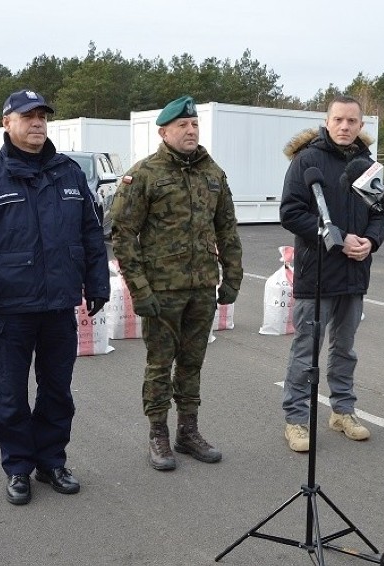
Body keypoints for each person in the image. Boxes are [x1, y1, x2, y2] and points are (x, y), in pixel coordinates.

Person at [0, 89, 110, 505]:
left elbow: (91, 234)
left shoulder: (69, 173)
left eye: (42, 117)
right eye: (28, 117)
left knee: (58, 390)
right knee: (11, 394)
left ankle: (51, 461)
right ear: (8, 123)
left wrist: (98, 284)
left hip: (58, 306)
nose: (37, 123)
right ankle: (18, 467)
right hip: (11, 308)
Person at [111, 95, 243, 471]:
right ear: (164, 131)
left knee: (192, 362)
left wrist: (233, 276)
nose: (191, 130)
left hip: (201, 286)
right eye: (183, 125)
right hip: (161, 291)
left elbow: (227, 230)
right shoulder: (145, 175)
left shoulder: (213, 174)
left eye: (195, 124)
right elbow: (123, 234)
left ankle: (188, 431)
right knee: (159, 363)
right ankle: (158, 434)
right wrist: (140, 289)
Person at [279, 95, 384, 453]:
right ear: (327, 122)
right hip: (317, 274)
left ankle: (342, 410)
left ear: (361, 126)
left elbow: (380, 213)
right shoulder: (307, 160)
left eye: (352, 121)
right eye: (338, 120)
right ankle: (296, 419)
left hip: (355, 274)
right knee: (306, 351)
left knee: (345, 349)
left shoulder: (368, 165)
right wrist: (338, 239)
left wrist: (370, 242)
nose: (345, 126)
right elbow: (291, 212)